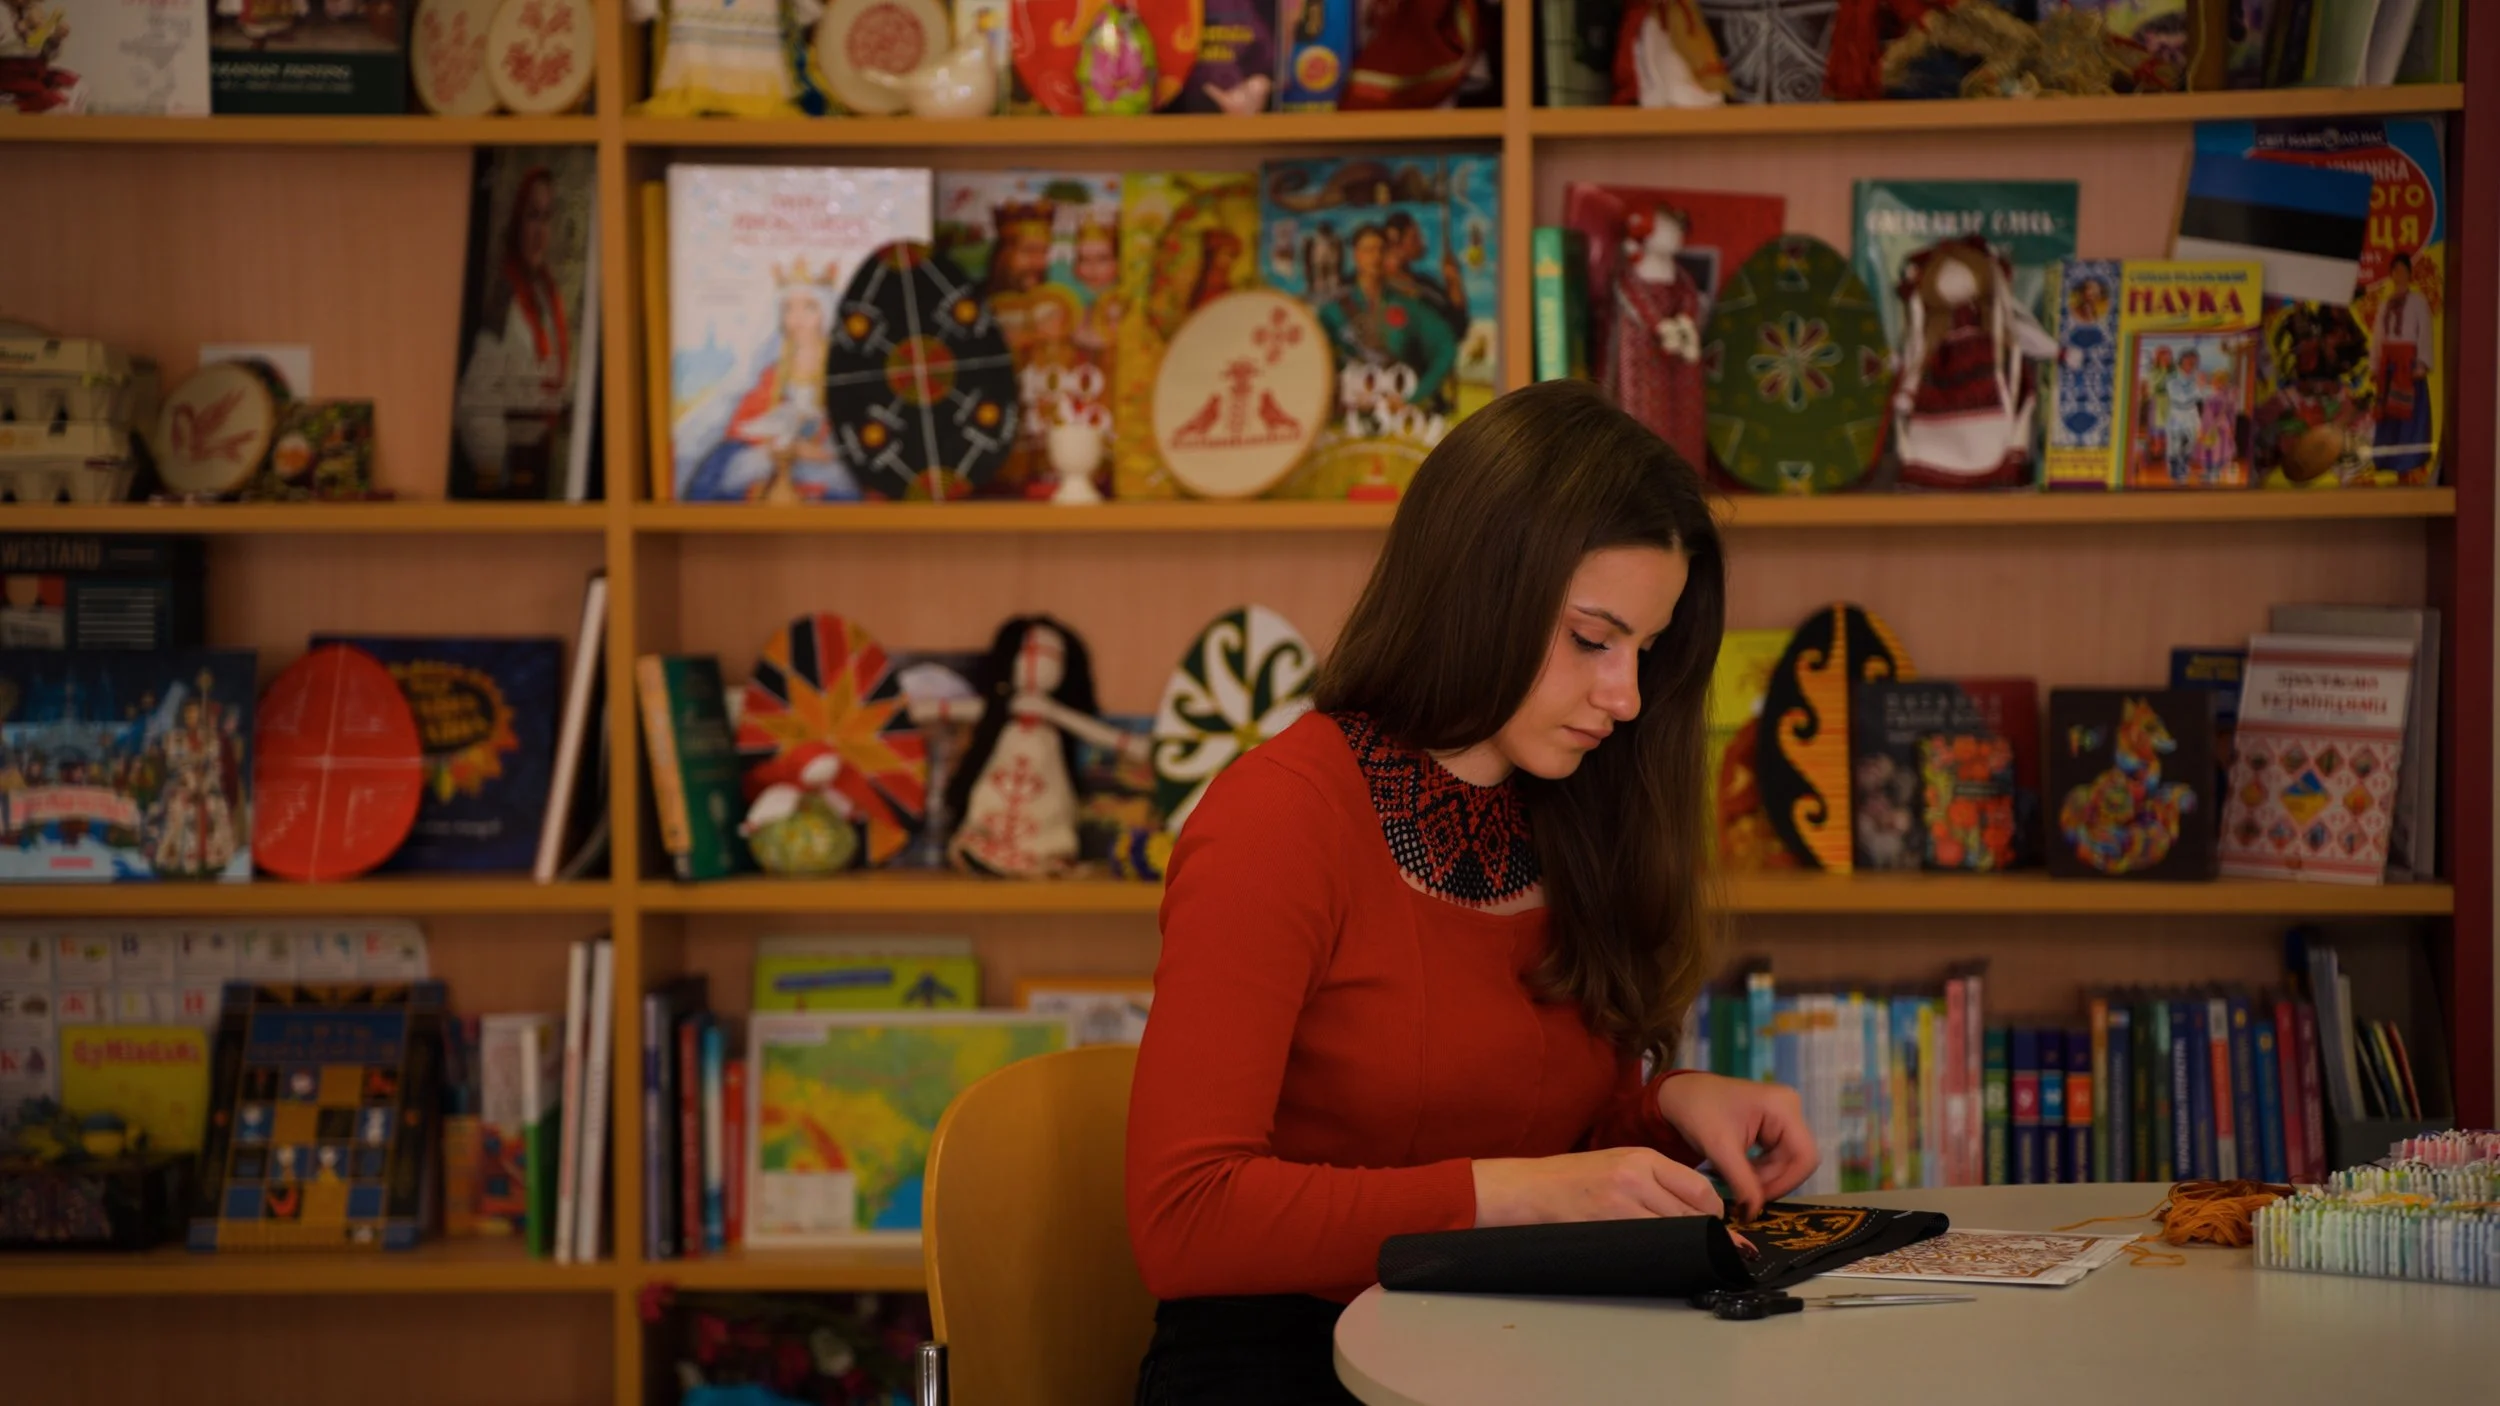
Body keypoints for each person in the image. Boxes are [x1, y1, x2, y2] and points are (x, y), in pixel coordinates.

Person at [1125, 380, 1818, 1406]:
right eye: (1592, 639)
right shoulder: (1277, 819)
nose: (1626, 697)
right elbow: (1185, 1218)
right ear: (1475, 590)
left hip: (1502, 1348)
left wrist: (1665, 1105)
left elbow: (1509, 1114)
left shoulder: (1565, 805)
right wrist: (1522, 1193)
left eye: (1647, 649)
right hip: (1290, 1362)